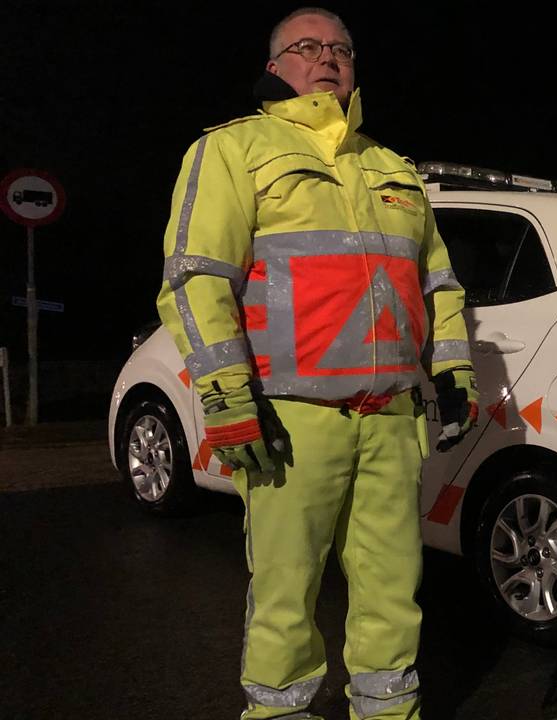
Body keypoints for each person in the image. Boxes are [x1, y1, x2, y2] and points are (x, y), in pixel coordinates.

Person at [155, 8, 477, 719]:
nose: (326, 58)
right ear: (275, 68)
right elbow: (196, 280)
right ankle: (277, 711)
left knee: (394, 593)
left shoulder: (392, 167)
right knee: (285, 596)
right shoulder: (234, 150)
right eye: (306, 47)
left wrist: (453, 372)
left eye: (340, 49)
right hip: (290, 421)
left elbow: (437, 283)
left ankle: (389, 710)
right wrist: (228, 397)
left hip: (390, 422)